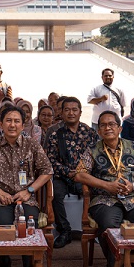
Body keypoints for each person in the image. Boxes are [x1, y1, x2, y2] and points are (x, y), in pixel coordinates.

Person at [74, 111, 134, 267]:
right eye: (103, 125)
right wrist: (107, 185)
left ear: (120, 128)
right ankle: (112, 266)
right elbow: (79, 174)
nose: (107, 128)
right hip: (105, 199)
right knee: (108, 224)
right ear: (98, 131)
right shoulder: (92, 150)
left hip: (133, 197)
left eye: (111, 124)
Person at [0, 105, 53, 267]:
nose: (12, 125)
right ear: (1, 124)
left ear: (23, 125)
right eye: (8, 121)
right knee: (2, 224)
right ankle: (5, 264)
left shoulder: (32, 145)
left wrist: (29, 191)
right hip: (0, 199)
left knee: (28, 223)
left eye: (17, 121)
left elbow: (47, 171)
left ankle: (28, 266)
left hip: (26, 198)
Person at [46, 97, 98, 248]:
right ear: (61, 113)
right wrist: (68, 172)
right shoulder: (55, 135)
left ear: (80, 112)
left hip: (85, 176)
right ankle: (65, 230)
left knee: (96, 191)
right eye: (67, 110)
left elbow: (97, 157)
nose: (71, 113)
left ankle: (94, 229)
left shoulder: (90, 133)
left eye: (74, 110)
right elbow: (51, 160)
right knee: (55, 193)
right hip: (63, 176)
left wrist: (83, 173)